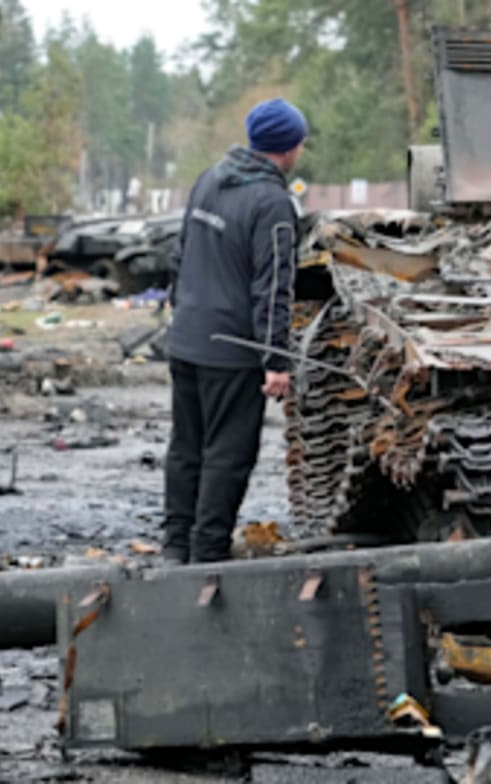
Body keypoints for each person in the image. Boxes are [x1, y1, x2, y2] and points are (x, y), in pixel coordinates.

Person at [162, 98, 307, 564]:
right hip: (231, 352)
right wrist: (276, 360)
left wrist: (179, 310)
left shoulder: (208, 179)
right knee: (227, 455)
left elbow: (180, 255)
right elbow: (275, 287)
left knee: (186, 447)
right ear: (290, 147)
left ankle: (175, 547)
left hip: (185, 340)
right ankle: (207, 556)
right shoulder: (273, 203)